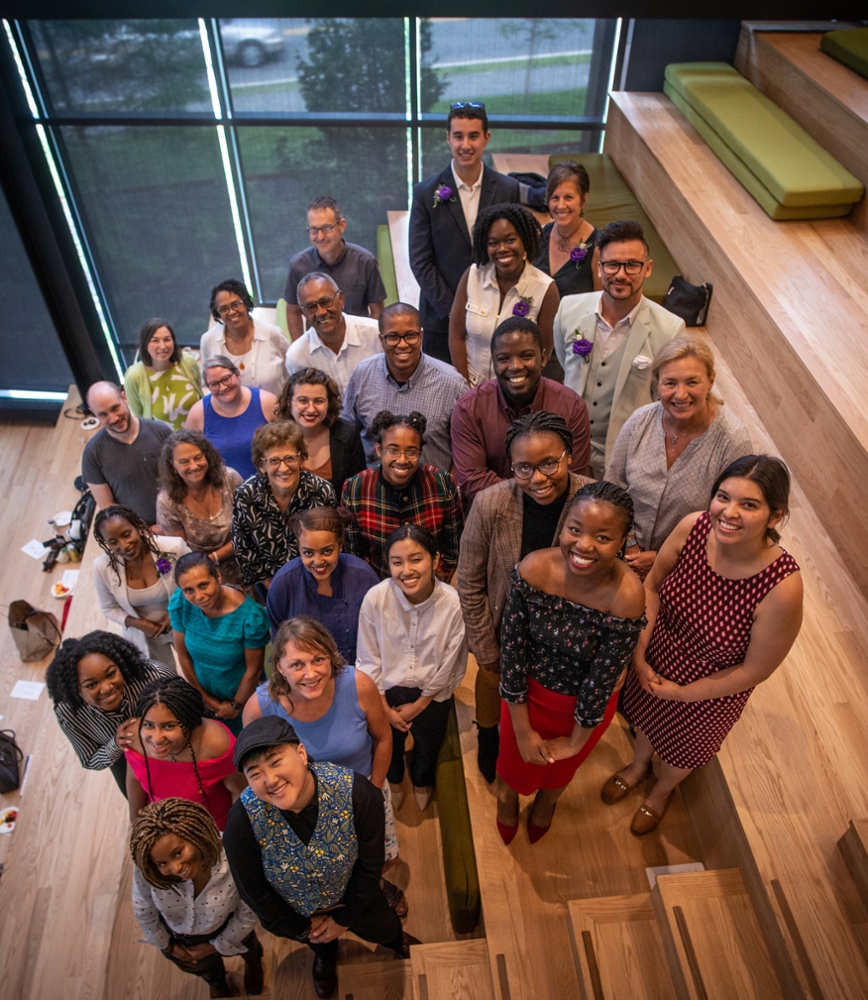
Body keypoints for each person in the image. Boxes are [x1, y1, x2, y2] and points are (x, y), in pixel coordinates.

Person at [612, 456, 803, 835]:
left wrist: (684, 694)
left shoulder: (782, 587)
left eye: (749, 505)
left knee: (684, 750)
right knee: (646, 721)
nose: (728, 513)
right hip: (656, 653)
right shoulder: (693, 527)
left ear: (776, 516)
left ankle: (662, 792)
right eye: (723, 497)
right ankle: (637, 766)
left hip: (711, 688)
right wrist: (640, 654)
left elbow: (754, 670)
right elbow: (651, 587)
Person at [496, 482, 646, 844]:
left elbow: (602, 677)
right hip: (524, 696)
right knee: (514, 762)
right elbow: (513, 650)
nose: (583, 545)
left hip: (582, 707)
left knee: (560, 772)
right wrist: (520, 726)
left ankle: (547, 803)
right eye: (575, 530)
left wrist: (577, 741)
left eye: (603, 537)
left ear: (623, 540)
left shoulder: (626, 594)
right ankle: (506, 800)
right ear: (563, 526)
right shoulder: (534, 568)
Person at [224, 716, 416, 1000]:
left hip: (356, 895)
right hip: (300, 911)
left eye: (275, 762)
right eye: (255, 773)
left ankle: (395, 941)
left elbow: (370, 864)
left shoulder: (357, 793)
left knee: (384, 926)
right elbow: (253, 890)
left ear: (301, 754)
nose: (270, 780)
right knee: (320, 943)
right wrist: (300, 927)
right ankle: (326, 957)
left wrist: (344, 917)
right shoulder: (241, 823)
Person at [456, 412, 593, 782]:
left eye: (549, 463)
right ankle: (487, 734)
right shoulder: (489, 504)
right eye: (524, 468)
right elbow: (467, 582)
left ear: (569, 454)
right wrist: (486, 649)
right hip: (503, 628)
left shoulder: (593, 501)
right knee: (490, 681)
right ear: (512, 468)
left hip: (565, 636)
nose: (538, 478)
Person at [242, 616, 401, 873]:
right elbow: (254, 771)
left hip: (364, 789)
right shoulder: (259, 708)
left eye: (318, 659)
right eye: (297, 664)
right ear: (280, 667)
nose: (311, 673)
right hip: (302, 805)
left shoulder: (359, 685)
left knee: (381, 859)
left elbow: (383, 738)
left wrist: (374, 790)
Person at [606, 335, 752, 579]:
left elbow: (730, 519)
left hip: (691, 566)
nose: (680, 394)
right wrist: (629, 544)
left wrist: (666, 555)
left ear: (710, 381)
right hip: (624, 555)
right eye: (670, 383)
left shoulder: (733, 441)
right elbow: (613, 488)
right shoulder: (639, 421)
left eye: (692, 382)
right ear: (657, 383)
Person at [553, 220, 686, 477]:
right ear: (599, 267)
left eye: (632, 265)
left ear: (647, 269)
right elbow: (562, 359)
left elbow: (663, 400)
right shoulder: (568, 310)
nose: (621, 274)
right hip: (567, 448)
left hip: (627, 454)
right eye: (612, 264)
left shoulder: (670, 329)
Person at [357, 525, 467, 812]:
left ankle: (420, 780)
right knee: (387, 742)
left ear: (435, 559)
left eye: (416, 559)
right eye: (397, 562)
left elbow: (450, 662)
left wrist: (419, 706)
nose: (407, 570)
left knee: (429, 744)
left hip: (432, 694)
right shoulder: (376, 598)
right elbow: (369, 657)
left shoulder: (452, 603)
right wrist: (383, 706)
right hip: (386, 692)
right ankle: (394, 781)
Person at [409, 101, 521, 362]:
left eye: (473, 136)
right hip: (442, 320)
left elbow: (515, 253)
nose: (465, 145)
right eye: (458, 136)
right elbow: (420, 261)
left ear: (486, 138)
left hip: (496, 315)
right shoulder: (426, 193)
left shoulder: (508, 189)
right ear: (448, 138)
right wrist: (455, 312)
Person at [130, 799, 264, 998]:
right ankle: (217, 982)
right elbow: (143, 909)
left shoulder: (233, 853)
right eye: (162, 863)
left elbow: (249, 909)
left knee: (250, 950)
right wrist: (168, 946)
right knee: (204, 968)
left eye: (178, 852)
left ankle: (253, 965)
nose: (175, 868)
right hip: (180, 937)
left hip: (231, 925)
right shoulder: (148, 871)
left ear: (196, 834)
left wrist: (216, 945)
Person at [450, 317, 590, 502]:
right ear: (493, 362)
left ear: (543, 357)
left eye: (526, 356)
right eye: (504, 358)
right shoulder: (470, 408)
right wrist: (537, 490)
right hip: (491, 513)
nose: (515, 366)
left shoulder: (571, 406)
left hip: (555, 513)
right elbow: (472, 481)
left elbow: (574, 479)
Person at [342, 303, 468, 472]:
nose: (402, 345)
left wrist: (449, 489)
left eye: (410, 335)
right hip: (374, 493)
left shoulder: (452, 384)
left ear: (421, 336)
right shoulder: (362, 375)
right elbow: (347, 435)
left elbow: (466, 448)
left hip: (433, 492)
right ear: (381, 339)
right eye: (393, 337)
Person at [46, 631, 175, 795]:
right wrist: (115, 744)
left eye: (111, 674)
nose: (107, 688)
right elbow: (89, 759)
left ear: (120, 665)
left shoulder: (155, 675)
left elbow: (190, 712)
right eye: (92, 685)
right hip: (124, 758)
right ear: (76, 689)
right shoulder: (68, 712)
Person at [341, 411, 463, 581]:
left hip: (431, 585)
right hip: (376, 585)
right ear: (379, 450)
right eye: (393, 450)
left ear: (420, 452)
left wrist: (438, 582)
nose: (402, 460)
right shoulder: (355, 488)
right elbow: (353, 555)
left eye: (412, 452)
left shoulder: (442, 484)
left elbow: (453, 548)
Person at [449, 203, 558, 387]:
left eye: (510, 240)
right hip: (471, 389)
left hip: (518, 392)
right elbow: (456, 336)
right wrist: (465, 388)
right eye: (493, 243)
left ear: (524, 240)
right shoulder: (472, 276)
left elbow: (544, 354)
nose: (502, 249)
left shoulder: (546, 289)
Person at [125, 675, 246, 829]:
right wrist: (138, 824)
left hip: (212, 825)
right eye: (148, 725)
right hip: (162, 823)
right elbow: (133, 779)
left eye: (169, 726)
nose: (156, 738)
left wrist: (232, 833)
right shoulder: (133, 737)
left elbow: (241, 792)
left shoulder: (216, 744)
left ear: (189, 723)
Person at [170, 552, 270, 736]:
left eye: (203, 585)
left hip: (243, 699)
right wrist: (206, 698)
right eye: (189, 590)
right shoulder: (180, 603)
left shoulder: (250, 616)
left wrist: (235, 706)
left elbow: (253, 670)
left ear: (218, 576)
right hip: (203, 696)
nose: (198, 596)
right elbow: (183, 656)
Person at [232, 421, 337, 590]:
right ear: (262, 465)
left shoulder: (322, 491)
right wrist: (271, 586)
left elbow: (333, 543)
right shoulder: (246, 494)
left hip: (316, 579)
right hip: (269, 583)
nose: (283, 467)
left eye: (289, 458)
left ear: (302, 458)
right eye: (273, 460)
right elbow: (243, 547)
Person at [266, 507, 379, 664]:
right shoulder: (284, 584)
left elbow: (379, 638)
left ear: (340, 545)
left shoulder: (363, 578)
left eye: (327, 551)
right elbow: (280, 644)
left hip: (358, 673)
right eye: (308, 553)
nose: (318, 561)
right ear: (298, 549)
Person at [93, 505, 190, 666]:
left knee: (199, 668)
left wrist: (175, 611)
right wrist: (138, 624)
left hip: (184, 621)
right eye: (113, 542)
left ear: (137, 527)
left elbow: (196, 581)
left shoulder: (174, 548)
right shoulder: (102, 567)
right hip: (145, 635)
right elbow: (109, 608)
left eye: (126, 534)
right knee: (163, 678)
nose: (124, 546)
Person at [283, 196, 386, 341]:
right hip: (317, 346)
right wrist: (300, 348)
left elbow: (377, 310)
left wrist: (374, 346)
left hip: (359, 343)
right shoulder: (298, 265)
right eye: (314, 230)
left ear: (342, 226)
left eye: (326, 228)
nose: (320, 236)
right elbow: (293, 310)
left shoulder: (365, 262)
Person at [156, 429, 244, 585]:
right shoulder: (167, 501)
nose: (194, 466)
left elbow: (249, 532)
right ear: (172, 464)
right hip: (203, 575)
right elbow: (180, 553)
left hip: (246, 560)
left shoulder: (229, 478)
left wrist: (212, 557)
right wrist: (208, 564)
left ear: (207, 456)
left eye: (198, 458)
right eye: (184, 461)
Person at [82, 381, 173, 526]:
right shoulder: (92, 454)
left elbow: (183, 477)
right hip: (141, 533)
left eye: (115, 408)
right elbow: (107, 506)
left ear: (124, 397)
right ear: (93, 413)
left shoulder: (160, 431)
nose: (113, 418)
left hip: (180, 521)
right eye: (103, 414)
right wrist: (146, 531)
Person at [284, 272, 382, 395]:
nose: (320, 312)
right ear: (303, 313)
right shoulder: (298, 357)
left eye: (325, 302)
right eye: (311, 307)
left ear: (341, 299)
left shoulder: (376, 334)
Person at [276, 367, 366, 497]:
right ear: (289, 403)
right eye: (303, 400)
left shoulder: (347, 433)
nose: (311, 409)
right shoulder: (274, 439)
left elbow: (358, 488)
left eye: (319, 401)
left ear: (329, 404)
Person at [186, 355, 277, 481]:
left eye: (226, 379)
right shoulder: (198, 413)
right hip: (222, 492)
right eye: (214, 384)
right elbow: (189, 456)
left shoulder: (268, 402)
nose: (222, 387)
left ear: (238, 375)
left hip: (268, 487)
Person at [200, 278, 288, 396]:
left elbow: (292, 375)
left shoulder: (273, 334)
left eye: (236, 305)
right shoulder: (208, 340)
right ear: (218, 313)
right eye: (224, 309)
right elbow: (210, 381)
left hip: (275, 411)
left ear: (246, 303)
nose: (231, 312)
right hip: (231, 412)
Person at [535, 160, 601, 299]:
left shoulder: (598, 248)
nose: (561, 205)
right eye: (555, 198)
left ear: (583, 200)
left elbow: (600, 305)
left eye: (568, 197)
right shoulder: (539, 235)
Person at [123, 318, 203, 430]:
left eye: (167, 339)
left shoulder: (187, 361)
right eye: (155, 340)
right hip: (165, 443)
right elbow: (140, 418)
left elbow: (200, 396)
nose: (163, 346)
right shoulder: (134, 376)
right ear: (145, 344)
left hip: (201, 434)